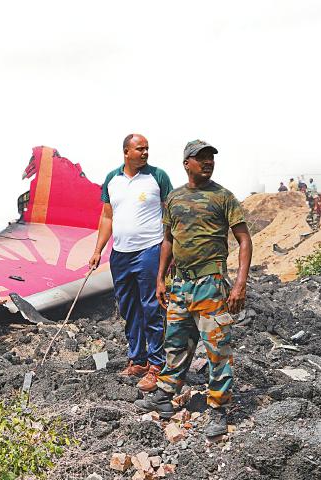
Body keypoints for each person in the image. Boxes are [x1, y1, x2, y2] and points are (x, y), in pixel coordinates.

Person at [134, 140, 252, 439]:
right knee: (175, 342)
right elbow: (168, 240)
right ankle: (164, 396)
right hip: (180, 284)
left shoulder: (223, 197)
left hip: (211, 284)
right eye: (201, 158)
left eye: (211, 157)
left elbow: (244, 240)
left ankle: (218, 409)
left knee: (217, 349)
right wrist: (161, 279)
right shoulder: (174, 198)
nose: (208, 162)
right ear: (187, 163)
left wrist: (239, 284)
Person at [89, 133, 173, 392]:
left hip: (149, 250)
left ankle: (157, 364)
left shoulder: (157, 177)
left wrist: (170, 252)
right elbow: (107, 217)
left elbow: (170, 213)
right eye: (140, 149)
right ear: (126, 152)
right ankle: (138, 360)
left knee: (151, 307)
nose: (145, 153)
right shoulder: (112, 179)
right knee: (128, 308)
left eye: (147, 148)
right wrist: (98, 250)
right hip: (121, 253)